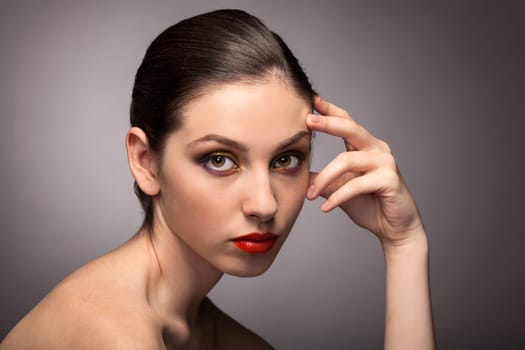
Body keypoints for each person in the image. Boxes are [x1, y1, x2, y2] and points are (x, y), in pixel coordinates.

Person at [0, 9, 434, 349]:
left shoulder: (228, 341)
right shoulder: (109, 333)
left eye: (286, 159)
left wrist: (404, 245)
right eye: (220, 160)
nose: (264, 205)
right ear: (146, 161)